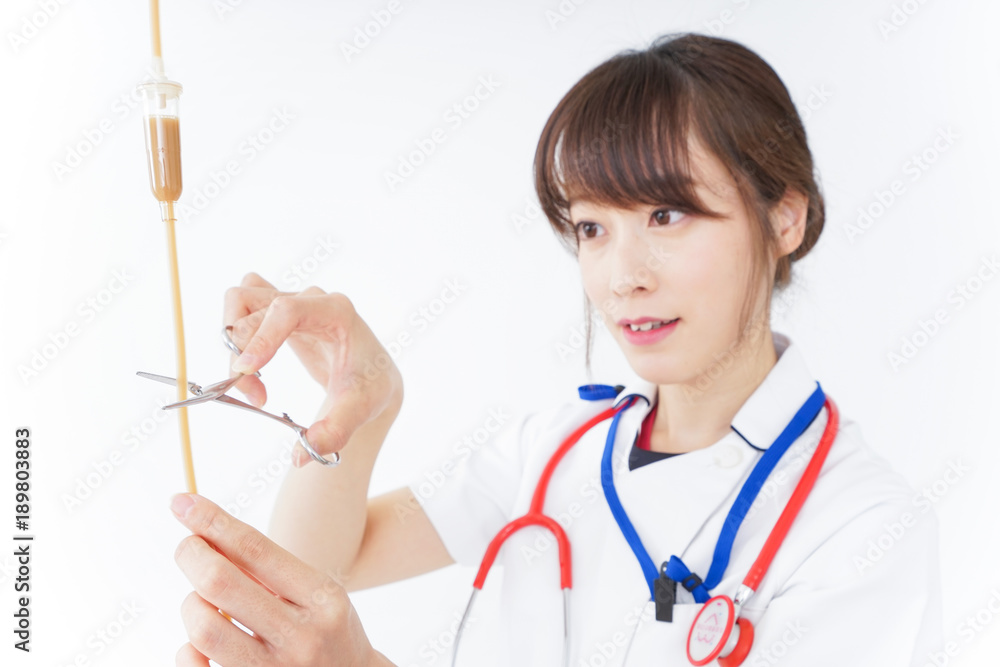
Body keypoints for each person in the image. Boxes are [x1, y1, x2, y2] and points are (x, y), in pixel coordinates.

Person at [170, 32, 942, 666]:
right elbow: (322, 566)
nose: (624, 276)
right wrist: (357, 402)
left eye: (668, 214)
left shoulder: (861, 526)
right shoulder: (555, 449)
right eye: (592, 227)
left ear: (784, 220)